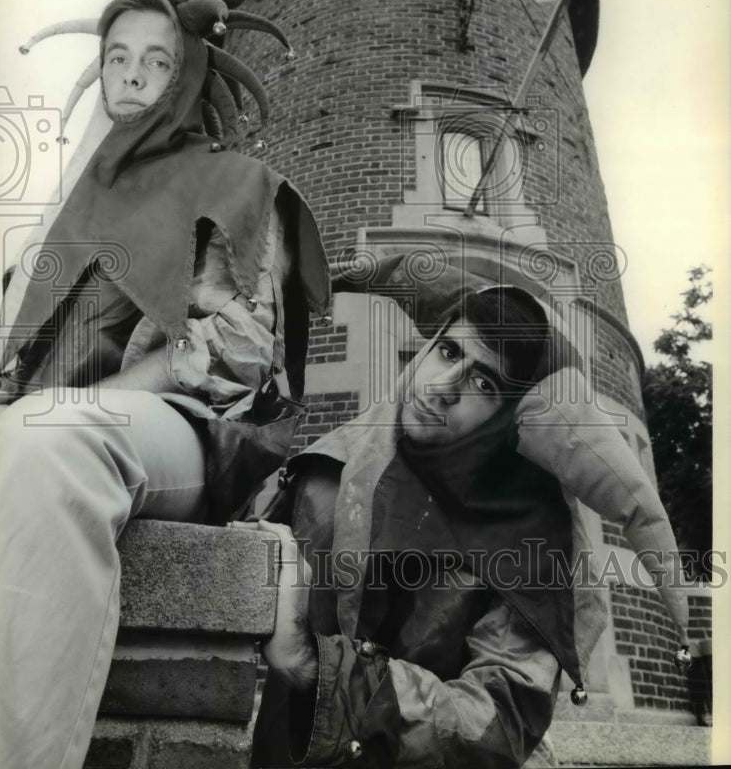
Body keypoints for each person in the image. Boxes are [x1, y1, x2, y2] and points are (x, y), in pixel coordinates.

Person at [0, 0, 330, 769]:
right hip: (41, 421)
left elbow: (239, 356)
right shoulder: (68, 211)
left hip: (185, 433)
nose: (132, 75)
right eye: (116, 56)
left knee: (50, 438)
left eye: (156, 59)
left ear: (186, 75)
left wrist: (91, 398)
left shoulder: (237, 183)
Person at [249, 261, 693, 769]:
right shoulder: (337, 466)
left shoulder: (531, 547)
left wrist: (315, 667)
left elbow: (496, 724)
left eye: (484, 384)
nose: (441, 386)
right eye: (447, 351)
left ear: (512, 420)